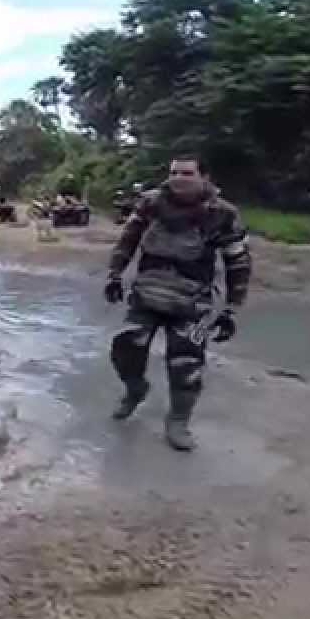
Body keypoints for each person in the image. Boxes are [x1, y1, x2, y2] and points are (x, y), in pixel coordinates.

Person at [104, 156, 252, 451]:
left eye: (187, 173)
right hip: (147, 293)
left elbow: (238, 261)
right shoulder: (150, 203)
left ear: (204, 177)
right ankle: (135, 389)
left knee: (186, 365)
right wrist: (115, 274)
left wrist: (231, 309)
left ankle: (179, 420)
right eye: (174, 172)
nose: (179, 178)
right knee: (125, 346)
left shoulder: (223, 214)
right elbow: (128, 239)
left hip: (192, 301)